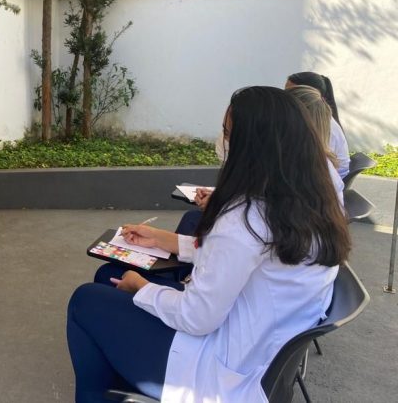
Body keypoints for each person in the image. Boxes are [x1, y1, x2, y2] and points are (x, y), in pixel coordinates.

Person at [67, 86, 351, 402]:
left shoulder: (246, 216)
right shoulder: (309, 199)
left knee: (85, 300)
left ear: (253, 147)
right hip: (255, 348)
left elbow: (197, 317)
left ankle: (107, 391)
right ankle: (122, 378)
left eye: (227, 133)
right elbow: (239, 259)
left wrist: (141, 287)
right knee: (108, 277)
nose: (222, 142)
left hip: (223, 368)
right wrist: (164, 240)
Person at [286, 71, 349, 178]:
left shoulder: (323, 127)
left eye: (291, 94)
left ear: (309, 96)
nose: (284, 99)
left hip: (327, 179)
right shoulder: (311, 119)